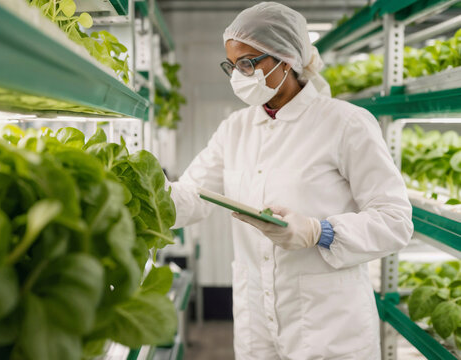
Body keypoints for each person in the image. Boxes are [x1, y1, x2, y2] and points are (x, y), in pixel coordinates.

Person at [167, 2, 413, 359]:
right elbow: (192, 194)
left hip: (330, 329)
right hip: (257, 329)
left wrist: (319, 231)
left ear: (286, 60)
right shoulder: (235, 129)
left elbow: (395, 221)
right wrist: (135, 197)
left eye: (248, 63)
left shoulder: (345, 124)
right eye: (232, 66)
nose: (239, 75)